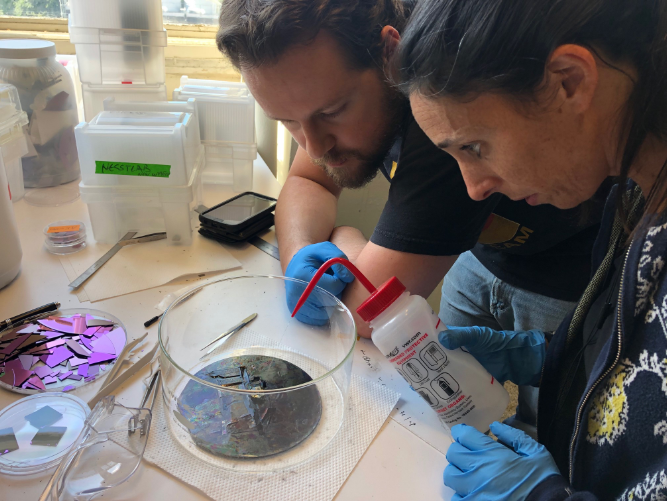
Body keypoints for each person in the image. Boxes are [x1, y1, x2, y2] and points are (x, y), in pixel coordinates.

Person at [216, 0, 607, 435]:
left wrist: (343, 236)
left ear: (390, 55)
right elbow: (310, 181)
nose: (316, 145)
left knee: (560, 430)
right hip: (475, 257)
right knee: (454, 406)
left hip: (568, 273)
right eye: (288, 121)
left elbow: (366, 312)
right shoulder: (319, 92)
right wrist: (300, 259)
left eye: (331, 112)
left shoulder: (444, 103)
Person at [398, 0, 667, 498]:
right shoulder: (634, 195)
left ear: (569, 81)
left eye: (474, 147)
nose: (474, 188)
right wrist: (553, 355)